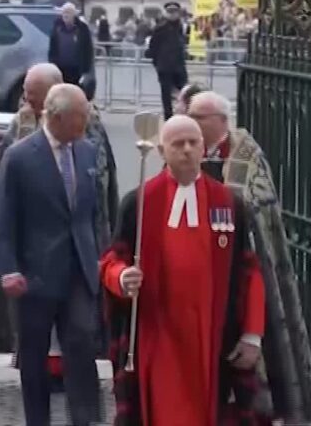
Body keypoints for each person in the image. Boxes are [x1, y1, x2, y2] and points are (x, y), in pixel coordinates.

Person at [101, 115, 266, 425]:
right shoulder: (138, 202)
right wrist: (122, 278)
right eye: (178, 144)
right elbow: (111, 261)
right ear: (163, 151)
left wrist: (252, 334)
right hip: (157, 335)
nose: (188, 150)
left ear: (205, 148)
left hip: (213, 335)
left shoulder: (230, 203)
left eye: (194, 143)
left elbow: (249, 271)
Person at [0, 63, 119, 392]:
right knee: (35, 329)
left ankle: (77, 388)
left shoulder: (84, 122)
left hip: (74, 243)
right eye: (26, 95)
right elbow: (4, 176)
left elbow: (96, 183)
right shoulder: (21, 121)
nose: (27, 101)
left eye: (32, 95)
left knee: (76, 326)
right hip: (33, 246)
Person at [188, 91, 311, 422]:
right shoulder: (187, 149)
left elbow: (259, 212)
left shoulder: (247, 156)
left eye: (197, 117)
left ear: (219, 120)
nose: (191, 122)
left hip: (242, 271)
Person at [0, 83, 103, 426]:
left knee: (82, 345)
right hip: (35, 274)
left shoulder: (86, 151)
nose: (86, 121)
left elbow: (92, 213)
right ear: (56, 117)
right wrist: (8, 268)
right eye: (80, 116)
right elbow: (4, 216)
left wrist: (100, 256)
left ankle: (83, 419)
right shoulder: (20, 156)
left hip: (79, 270)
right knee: (34, 356)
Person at [146, 1, 188, 120]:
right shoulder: (160, 27)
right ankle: (168, 117)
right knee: (166, 95)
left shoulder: (180, 26)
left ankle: (183, 115)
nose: (173, 14)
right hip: (165, 66)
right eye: (170, 11)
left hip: (179, 66)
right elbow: (153, 47)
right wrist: (157, 63)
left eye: (175, 11)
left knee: (184, 92)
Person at [49, 2, 95, 88]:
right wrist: (52, 63)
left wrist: (86, 70)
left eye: (68, 12)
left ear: (74, 14)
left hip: (76, 70)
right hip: (60, 68)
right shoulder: (57, 26)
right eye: (64, 12)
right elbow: (52, 48)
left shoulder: (82, 28)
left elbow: (88, 49)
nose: (65, 15)